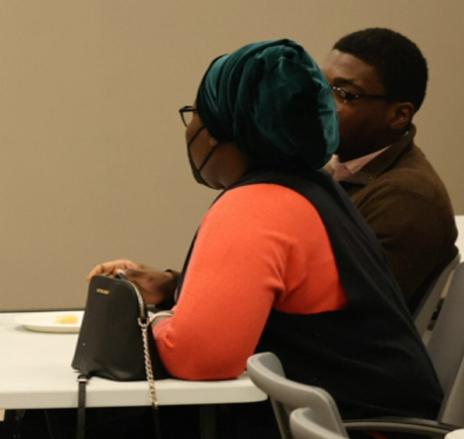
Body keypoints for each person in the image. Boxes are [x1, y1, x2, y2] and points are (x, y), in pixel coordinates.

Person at [88, 40, 441, 438]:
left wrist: (127, 330)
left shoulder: (256, 204)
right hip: (372, 420)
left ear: (226, 129)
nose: (190, 131)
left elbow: (201, 358)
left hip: (349, 428)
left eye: (196, 114)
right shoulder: (315, 188)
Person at [322, 28, 456, 311]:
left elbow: (351, 316)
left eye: (344, 93)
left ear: (398, 115)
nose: (322, 103)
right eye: (321, 86)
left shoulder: (407, 198)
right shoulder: (339, 168)